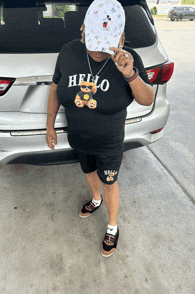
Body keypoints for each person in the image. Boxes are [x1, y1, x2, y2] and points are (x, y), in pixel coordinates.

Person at [46, 0, 154, 257]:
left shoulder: (128, 59)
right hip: (79, 137)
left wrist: (130, 74)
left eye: (104, 42)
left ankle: (113, 226)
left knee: (109, 181)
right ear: (83, 30)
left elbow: (147, 99)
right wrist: (49, 126)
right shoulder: (69, 52)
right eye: (92, 40)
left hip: (109, 142)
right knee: (88, 170)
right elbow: (55, 88)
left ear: (121, 36)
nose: (97, 50)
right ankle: (95, 200)